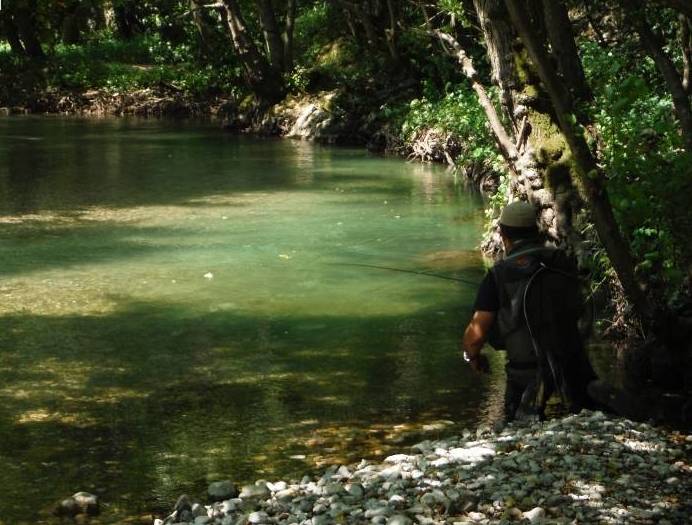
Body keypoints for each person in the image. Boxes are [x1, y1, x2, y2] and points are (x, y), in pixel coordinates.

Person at [461, 201, 596, 422]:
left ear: (504, 236)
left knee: (519, 426)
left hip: (525, 376)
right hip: (573, 367)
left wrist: (472, 357)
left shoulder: (497, 276)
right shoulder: (561, 261)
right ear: (536, 231)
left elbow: (474, 337)